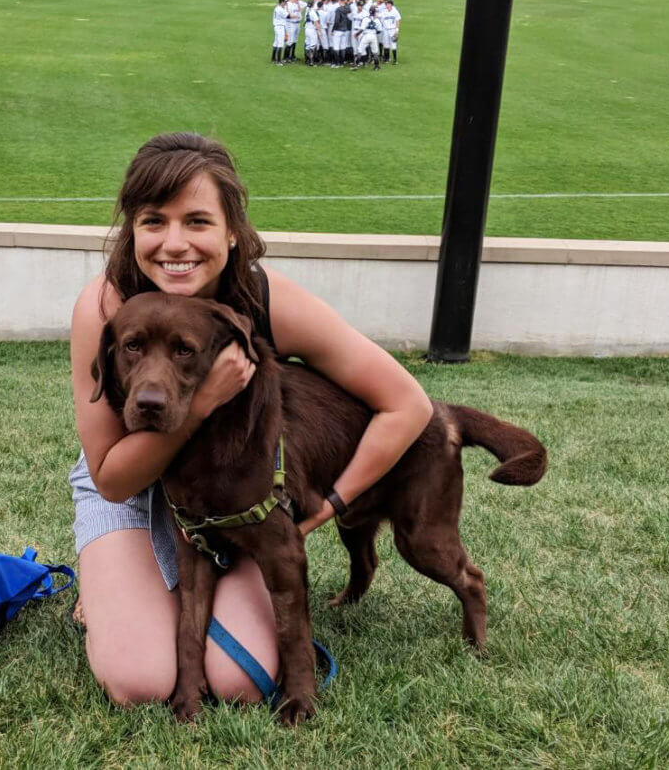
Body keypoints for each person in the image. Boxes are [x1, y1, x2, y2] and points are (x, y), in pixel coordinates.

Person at [69, 133, 434, 707]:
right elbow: (112, 478)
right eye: (152, 221)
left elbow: (407, 404)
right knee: (139, 682)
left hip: (237, 492)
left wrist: (328, 509)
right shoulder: (106, 307)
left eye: (196, 221)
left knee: (241, 683)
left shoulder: (266, 299)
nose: (174, 244)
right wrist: (205, 400)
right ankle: (111, 583)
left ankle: (139, 593)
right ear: (132, 230)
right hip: (132, 485)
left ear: (232, 231)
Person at [353, 5, 383, 71]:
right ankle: (376, 66)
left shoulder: (365, 19)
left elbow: (362, 29)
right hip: (373, 36)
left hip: (366, 36)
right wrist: (374, 33)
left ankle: (356, 66)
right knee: (375, 52)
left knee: (360, 50)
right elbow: (380, 30)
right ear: (374, 12)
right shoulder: (377, 20)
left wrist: (357, 34)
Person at [381, 0, 401, 64]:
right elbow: (380, 19)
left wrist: (397, 30)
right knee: (386, 44)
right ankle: (386, 59)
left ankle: (395, 60)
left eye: (389, 4)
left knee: (393, 44)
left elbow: (397, 20)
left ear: (392, 5)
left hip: (392, 30)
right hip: (385, 30)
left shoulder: (395, 11)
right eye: (386, 4)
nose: (387, 5)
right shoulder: (384, 12)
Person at [271, 0, 288, 65]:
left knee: (276, 42)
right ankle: (278, 61)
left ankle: (273, 59)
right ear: (282, 2)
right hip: (280, 27)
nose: (286, 3)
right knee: (280, 43)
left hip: (277, 26)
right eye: (285, 2)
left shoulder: (278, 8)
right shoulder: (280, 9)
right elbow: (288, 16)